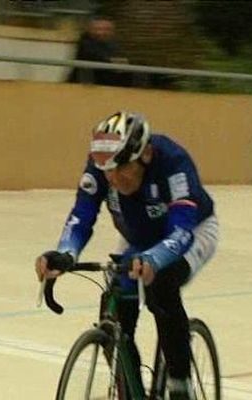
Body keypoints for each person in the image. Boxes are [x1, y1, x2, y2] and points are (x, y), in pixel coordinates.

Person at [35, 111, 219, 400]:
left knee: (162, 286)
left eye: (122, 169)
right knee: (115, 303)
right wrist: (65, 253)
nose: (113, 178)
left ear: (144, 154)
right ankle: (129, 387)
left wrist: (155, 260)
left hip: (191, 231)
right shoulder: (102, 164)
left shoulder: (173, 161)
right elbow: (82, 214)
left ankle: (180, 384)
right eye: (107, 171)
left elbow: (182, 229)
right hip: (138, 237)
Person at [67, 16, 129, 87]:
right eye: (97, 29)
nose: (101, 32)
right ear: (89, 30)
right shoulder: (85, 43)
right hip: (86, 86)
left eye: (107, 29)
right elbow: (96, 57)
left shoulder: (113, 45)